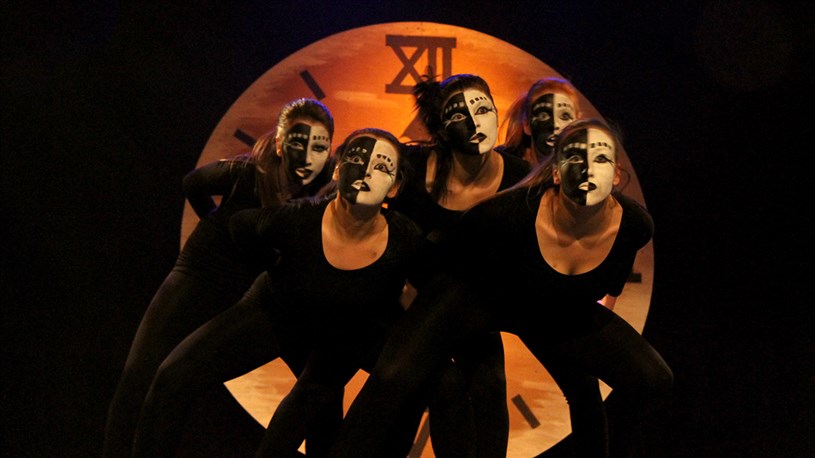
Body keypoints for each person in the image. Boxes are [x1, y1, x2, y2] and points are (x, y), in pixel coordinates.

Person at [330, 118, 673, 458]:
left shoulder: (635, 225)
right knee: (393, 376)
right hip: (479, 296)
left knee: (648, 379)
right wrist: (412, 291)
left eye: (600, 158)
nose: (587, 169)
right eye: (573, 157)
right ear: (556, 173)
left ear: (616, 174)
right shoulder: (507, 213)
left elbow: (604, 288)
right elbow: (444, 248)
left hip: (553, 308)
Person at [130, 128, 423, 458]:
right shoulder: (298, 219)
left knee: (324, 420)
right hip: (273, 315)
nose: (366, 171)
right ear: (338, 171)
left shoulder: (404, 238)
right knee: (173, 376)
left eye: (381, 167)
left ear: (395, 187)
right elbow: (241, 225)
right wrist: (268, 265)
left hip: (332, 340)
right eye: (357, 159)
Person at [102, 97, 335, 458]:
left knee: (322, 387)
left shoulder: (326, 188)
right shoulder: (248, 172)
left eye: (318, 147)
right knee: (140, 375)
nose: (307, 158)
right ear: (279, 144)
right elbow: (192, 182)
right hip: (204, 273)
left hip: (257, 293)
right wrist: (216, 222)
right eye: (296, 144)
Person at [386, 73, 531, 457]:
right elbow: (389, 239)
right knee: (420, 388)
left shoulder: (519, 176)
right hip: (409, 306)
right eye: (457, 114)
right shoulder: (414, 167)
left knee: (489, 385)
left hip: (473, 309)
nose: (474, 121)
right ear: (440, 127)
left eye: (482, 109)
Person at [500, 76, 580, 166]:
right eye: (543, 116)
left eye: (565, 116)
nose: (555, 124)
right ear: (527, 124)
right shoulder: (503, 166)